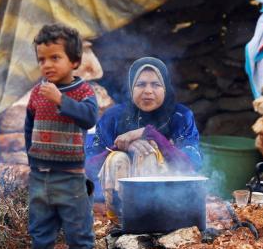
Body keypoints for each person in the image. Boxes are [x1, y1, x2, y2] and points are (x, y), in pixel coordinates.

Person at [21, 23, 99, 249]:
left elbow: (89, 118)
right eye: (42, 59)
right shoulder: (36, 93)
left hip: (70, 178)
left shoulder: (82, 92)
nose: (47, 65)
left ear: (74, 61)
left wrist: (61, 100)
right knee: (39, 233)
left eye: (55, 58)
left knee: (80, 234)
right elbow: (28, 127)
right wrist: (32, 161)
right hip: (40, 177)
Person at [85, 57, 203, 221]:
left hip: (170, 204)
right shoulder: (114, 117)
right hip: (119, 211)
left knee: (147, 153)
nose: (148, 91)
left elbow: (192, 164)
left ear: (165, 89)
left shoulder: (180, 116)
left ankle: (152, 218)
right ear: (131, 88)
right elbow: (88, 168)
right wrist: (120, 146)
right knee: (117, 158)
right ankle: (120, 219)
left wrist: (150, 133)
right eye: (141, 84)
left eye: (156, 84)